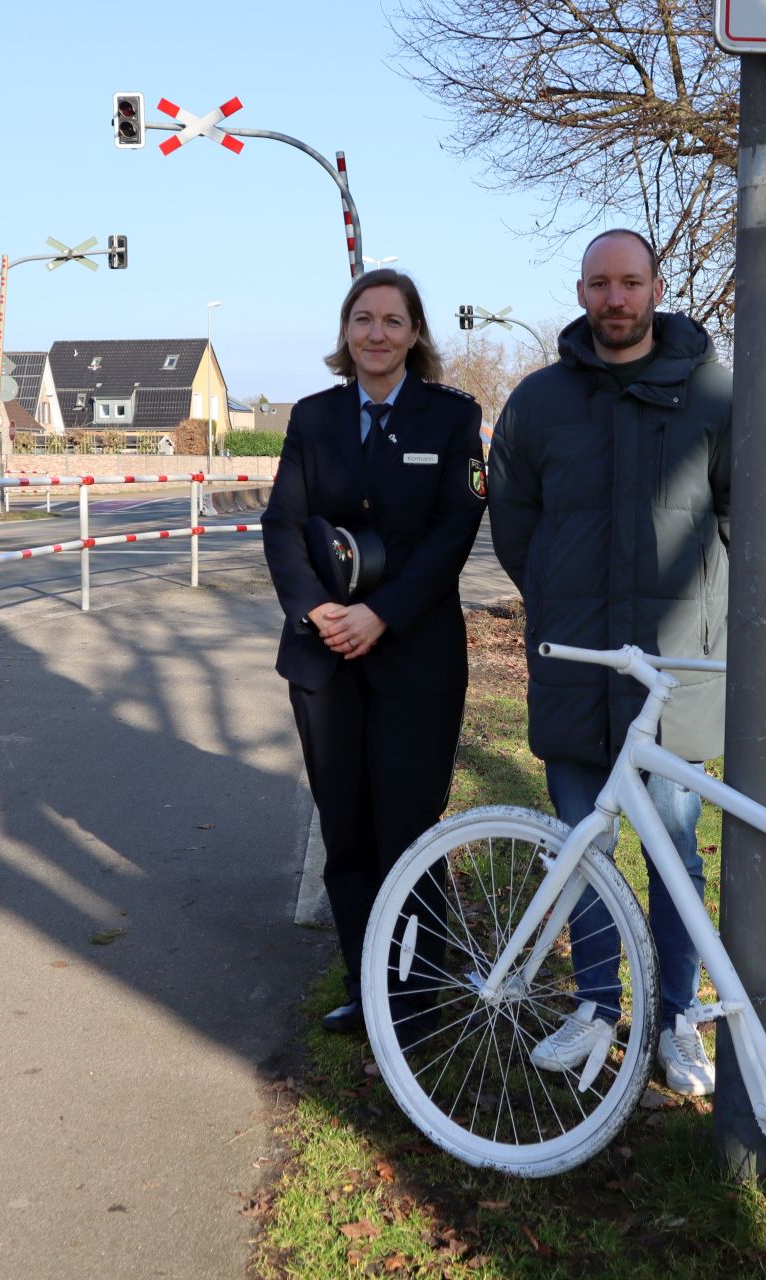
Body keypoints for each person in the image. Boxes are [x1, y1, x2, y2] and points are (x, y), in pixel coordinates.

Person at [488, 229, 731, 1095]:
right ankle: (594, 1004)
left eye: (631, 283)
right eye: (600, 285)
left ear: (657, 287)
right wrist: (557, 596)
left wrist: (704, 624)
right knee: (579, 848)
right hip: (574, 661)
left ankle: (677, 1019)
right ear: (581, 290)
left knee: (676, 854)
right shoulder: (539, 401)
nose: (616, 300)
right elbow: (515, 523)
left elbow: (744, 519)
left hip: (674, 677)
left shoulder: (712, 392)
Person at [264, 268, 487, 1035]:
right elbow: (282, 525)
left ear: (416, 333)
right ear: (345, 332)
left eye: (393, 321)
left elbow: (451, 534)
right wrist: (314, 607)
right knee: (347, 829)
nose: (377, 334)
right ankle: (368, 989)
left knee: (408, 827)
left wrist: (381, 615)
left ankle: (419, 995)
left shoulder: (452, 420)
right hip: (325, 658)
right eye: (363, 319)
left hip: (415, 658)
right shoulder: (314, 417)